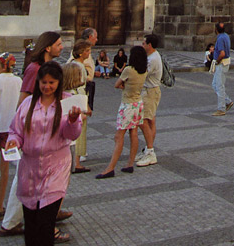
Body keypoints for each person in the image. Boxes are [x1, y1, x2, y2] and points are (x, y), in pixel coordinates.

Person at [5, 62, 82, 246]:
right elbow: (16, 130)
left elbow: (71, 135)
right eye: (43, 82)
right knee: (31, 224)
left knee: (45, 223)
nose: (47, 86)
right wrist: (14, 141)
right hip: (30, 170)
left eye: (51, 82)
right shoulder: (28, 104)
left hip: (55, 169)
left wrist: (72, 121)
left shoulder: (66, 102)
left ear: (59, 82)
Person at [0, 31, 65, 239]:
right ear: (48, 47)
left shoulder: (47, 69)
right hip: (30, 140)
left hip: (49, 145)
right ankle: (12, 223)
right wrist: (20, 135)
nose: (62, 47)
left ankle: (47, 215)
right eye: (59, 43)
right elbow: (24, 102)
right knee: (24, 181)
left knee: (40, 182)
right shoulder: (34, 69)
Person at [96, 45, 148, 178]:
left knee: (119, 136)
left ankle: (110, 168)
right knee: (134, 133)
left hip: (128, 105)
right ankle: (130, 164)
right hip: (138, 103)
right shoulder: (144, 70)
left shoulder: (129, 70)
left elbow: (116, 84)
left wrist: (124, 87)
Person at [0, 54, 20, 221]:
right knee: (5, 169)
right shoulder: (19, 81)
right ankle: (0, 206)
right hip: (10, 128)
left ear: (3, 66)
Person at [66, 38, 93, 173]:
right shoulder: (80, 66)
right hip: (79, 99)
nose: (89, 53)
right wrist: (86, 105)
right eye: (87, 51)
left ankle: (74, 160)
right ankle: (76, 162)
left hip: (72, 98)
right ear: (82, 53)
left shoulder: (72, 63)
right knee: (80, 131)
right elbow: (81, 88)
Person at [136, 33, 163, 167]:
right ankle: (148, 149)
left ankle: (150, 152)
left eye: (144, 43)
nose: (142, 45)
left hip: (150, 92)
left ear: (149, 45)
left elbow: (142, 74)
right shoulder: (153, 56)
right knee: (150, 120)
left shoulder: (152, 59)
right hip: (150, 91)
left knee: (142, 120)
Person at [61, 57, 88, 175]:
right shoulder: (74, 94)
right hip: (71, 136)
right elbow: (82, 115)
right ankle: (76, 163)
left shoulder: (61, 94)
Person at [211, 22, 233, 116]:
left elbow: (222, 53)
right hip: (225, 62)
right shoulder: (226, 36)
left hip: (221, 63)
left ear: (216, 29)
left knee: (219, 86)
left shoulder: (220, 38)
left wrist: (217, 61)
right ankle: (227, 101)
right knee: (215, 84)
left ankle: (221, 108)